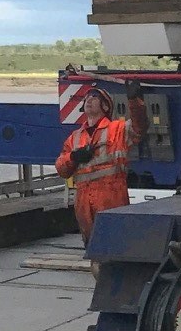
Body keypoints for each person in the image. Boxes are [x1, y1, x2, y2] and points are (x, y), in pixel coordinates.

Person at [55, 83, 147, 246]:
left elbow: (139, 127)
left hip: (111, 200)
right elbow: (61, 168)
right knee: (92, 249)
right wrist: (74, 157)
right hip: (84, 204)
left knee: (116, 247)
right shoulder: (75, 138)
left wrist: (134, 101)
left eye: (95, 97)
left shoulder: (117, 130)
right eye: (87, 97)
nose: (89, 99)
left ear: (105, 106)